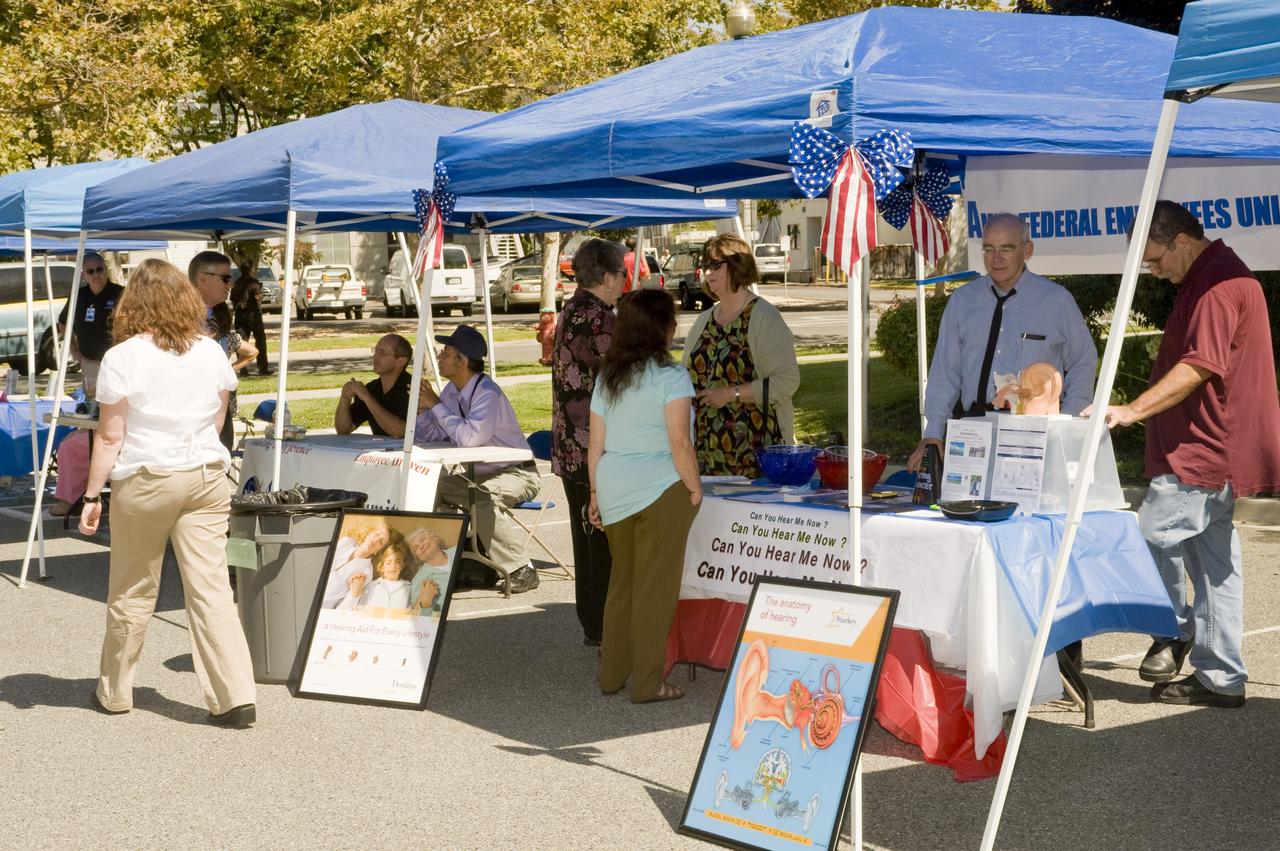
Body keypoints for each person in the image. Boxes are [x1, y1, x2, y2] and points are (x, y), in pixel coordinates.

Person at [1089, 200, 1280, 709]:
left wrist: (1131, 409)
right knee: (1217, 569)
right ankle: (1221, 679)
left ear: (1180, 241)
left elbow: (1199, 366)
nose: (1151, 268)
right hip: (1214, 449)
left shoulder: (1217, 285)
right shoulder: (1212, 277)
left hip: (1204, 450)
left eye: (1153, 257)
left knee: (1149, 533)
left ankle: (1174, 629)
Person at [77, 259, 255, 728]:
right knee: (211, 588)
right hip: (205, 474)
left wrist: (92, 495)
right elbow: (217, 423)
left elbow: (111, 437)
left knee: (133, 589)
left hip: (147, 476)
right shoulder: (211, 350)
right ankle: (235, 696)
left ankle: (115, 691)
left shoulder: (123, 357)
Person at [907, 213, 1097, 472]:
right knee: (967, 508)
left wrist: (1066, 421)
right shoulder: (963, 302)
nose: (996, 259)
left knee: (1028, 511)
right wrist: (933, 433)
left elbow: (1083, 360)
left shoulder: (1056, 301)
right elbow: (944, 372)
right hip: (972, 432)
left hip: (1033, 435)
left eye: (1006, 249)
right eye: (989, 249)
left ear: (1027, 250)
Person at [588, 289, 702, 703]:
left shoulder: (607, 376)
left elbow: (595, 444)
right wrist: (694, 488)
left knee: (622, 586)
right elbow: (680, 445)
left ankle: (612, 675)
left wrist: (596, 493)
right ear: (661, 328)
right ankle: (648, 683)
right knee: (655, 591)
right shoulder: (672, 377)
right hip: (660, 488)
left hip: (614, 484)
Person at [414, 325, 541, 594]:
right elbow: (438, 435)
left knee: (481, 496)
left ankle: (521, 568)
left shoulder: (487, 394)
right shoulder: (450, 391)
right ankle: (452, 563)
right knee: (430, 487)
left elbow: (470, 438)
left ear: (462, 361)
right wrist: (423, 411)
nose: (439, 355)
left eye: (446, 351)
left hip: (517, 473)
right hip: (480, 473)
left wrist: (436, 405)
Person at [552, 238, 625, 646]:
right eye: (621, 274)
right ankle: (601, 624)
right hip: (593, 448)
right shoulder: (599, 319)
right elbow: (625, 376)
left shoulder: (570, 309)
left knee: (586, 539)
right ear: (607, 276)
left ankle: (592, 622)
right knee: (601, 540)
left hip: (569, 445)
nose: (624, 281)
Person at [682, 233, 800, 478]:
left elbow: (786, 382)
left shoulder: (764, 317)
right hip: (705, 455)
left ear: (737, 267)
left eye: (715, 265)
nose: (707, 272)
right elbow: (684, 376)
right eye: (705, 265)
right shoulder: (704, 320)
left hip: (754, 457)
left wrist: (731, 394)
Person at [50, 253, 123, 516]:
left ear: (107, 269)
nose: (96, 275)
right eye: (90, 271)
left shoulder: (120, 293)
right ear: (83, 274)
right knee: (93, 418)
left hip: (116, 365)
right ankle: (78, 493)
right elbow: (62, 326)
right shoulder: (79, 296)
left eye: (100, 269)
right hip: (90, 364)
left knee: (110, 421)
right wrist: (76, 355)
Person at [188, 251, 257, 450]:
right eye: (225, 278)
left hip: (221, 406)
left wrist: (230, 370)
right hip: (194, 407)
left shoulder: (221, 314)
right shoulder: (180, 316)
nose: (231, 285)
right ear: (203, 279)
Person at [335, 333, 412, 437]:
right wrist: (345, 398)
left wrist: (367, 398)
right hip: (382, 452)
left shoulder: (414, 389)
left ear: (401, 361)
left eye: (382, 353)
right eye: (375, 351)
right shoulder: (372, 388)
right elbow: (343, 430)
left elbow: (400, 432)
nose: (375, 356)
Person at [321, 518, 398, 608]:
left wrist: (354, 594)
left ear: (378, 552)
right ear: (369, 534)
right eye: (377, 534)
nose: (376, 540)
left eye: (381, 542)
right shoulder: (346, 542)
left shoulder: (366, 573)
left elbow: (341, 609)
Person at [339, 542, 415, 614]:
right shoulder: (368, 586)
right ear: (381, 566)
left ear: (403, 565)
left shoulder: (409, 589)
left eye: (397, 562)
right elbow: (341, 612)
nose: (393, 566)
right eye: (388, 562)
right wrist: (354, 595)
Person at [406, 527, 457, 617]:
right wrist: (426, 604)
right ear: (417, 557)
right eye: (416, 548)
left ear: (435, 538)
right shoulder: (419, 580)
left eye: (422, 539)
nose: (421, 546)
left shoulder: (457, 550)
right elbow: (417, 620)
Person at [231, 260, 271, 377]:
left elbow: (233, 299)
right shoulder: (253, 283)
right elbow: (258, 296)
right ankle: (262, 368)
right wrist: (260, 294)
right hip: (253, 315)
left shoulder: (236, 283)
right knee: (260, 341)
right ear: (251, 269)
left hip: (240, 315)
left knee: (241, 342)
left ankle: (243, 369)